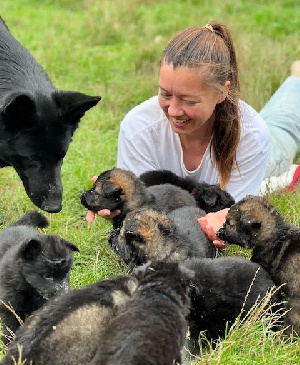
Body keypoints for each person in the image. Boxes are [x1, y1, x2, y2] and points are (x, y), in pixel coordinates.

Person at [87, 22, 300, 247]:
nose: (173, 111)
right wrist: (118, 208)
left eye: (189, 101)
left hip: (263, 154)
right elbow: (139, 209)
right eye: (165, 94)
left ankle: (296, 79)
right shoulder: (137, 127)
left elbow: (231, 219)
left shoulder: (252, 136)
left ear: (221, 92)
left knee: (281, 129)